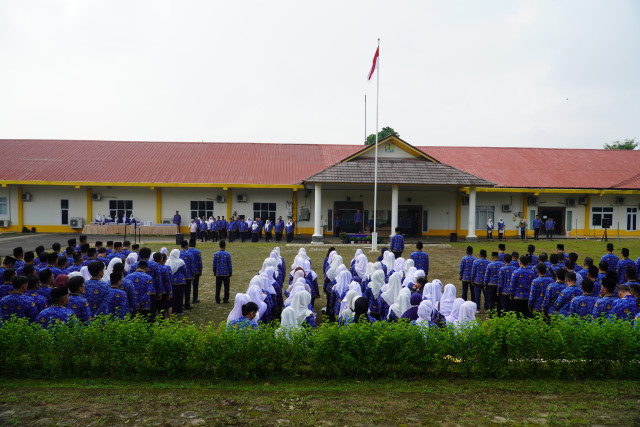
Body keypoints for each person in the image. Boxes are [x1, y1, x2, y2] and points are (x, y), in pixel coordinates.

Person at [167, 249, 187, 316]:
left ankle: (173, 309)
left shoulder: (168, 261)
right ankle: (179, 310)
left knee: (173, 296)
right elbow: (185, 271)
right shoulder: (181, 262)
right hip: (180, 282)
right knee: (180, 296)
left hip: (172, 281)